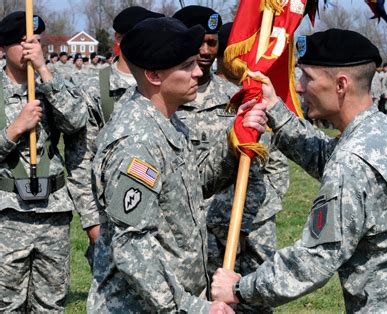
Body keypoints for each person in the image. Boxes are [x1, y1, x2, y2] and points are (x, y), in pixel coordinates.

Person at [211, 28, 387, 312]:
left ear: (341, 85)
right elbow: (327, 157)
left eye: (307, 77)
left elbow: (314, 259)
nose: (300, 86)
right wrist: (275, 110)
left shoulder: (353, 161)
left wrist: (238, 288)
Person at [87, 17, 268, 313]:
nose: (199, 72)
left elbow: (194, 185)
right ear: (154, 76)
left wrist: (234, 142)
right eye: (186, 66)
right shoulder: (137, 142)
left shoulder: (168, 122)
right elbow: (132, 245)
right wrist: (191, 307)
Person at [173, 7, 289, 313]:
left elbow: (271, 159)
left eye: (212, 43)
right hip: (186, 235)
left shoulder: (236, 98)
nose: (206, 51)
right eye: (200, 41)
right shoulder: (164, 102)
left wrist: (260, 212)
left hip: (239, 227)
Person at [63, 6, 165, 268]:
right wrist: (92, 223)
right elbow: (80, 159)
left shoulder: (164, 84)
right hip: (112, 218)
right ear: (120, 39)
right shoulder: (96, 88)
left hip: (164, 217)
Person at [0, 11, 87, 311]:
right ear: (3, 47)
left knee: (51, 304)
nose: (30, 48)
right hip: (9, 215)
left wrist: (45, 73)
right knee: (6, 304)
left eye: (35, 41)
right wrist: (14, 130)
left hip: (53, 213)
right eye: (23, 42)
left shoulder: (53, 83)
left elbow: (76, 122)